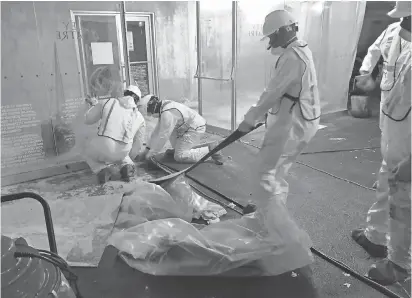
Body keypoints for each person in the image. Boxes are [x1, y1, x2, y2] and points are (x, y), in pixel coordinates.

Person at [352, 1, 411, 285]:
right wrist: (369, 75)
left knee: (405, 201)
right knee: (386, 180)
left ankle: (400, 265)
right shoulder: (394, 31)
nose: (405, 26)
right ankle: (375, 237)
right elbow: (378, 53)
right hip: (392, 130)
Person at [237, 9, 321, 206]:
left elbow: (272, 93)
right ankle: (268, 207)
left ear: (281, 32)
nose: (270, 43)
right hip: (299, 118)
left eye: (271, 37)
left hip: (292, 124)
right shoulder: (301, 50)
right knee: (276, 170)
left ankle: (268, 217)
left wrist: (250, 120)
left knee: (267, 170)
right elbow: (283, 91)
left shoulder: (292, 57)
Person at [83, 85, 146, 184]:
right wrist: (130, 158)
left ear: (124, 94)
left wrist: (94, 105)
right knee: (123, 150)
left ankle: (102, 170)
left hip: (102, 148)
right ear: (137, 101)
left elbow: (87, 120)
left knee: (86, 151)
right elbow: (138, 145)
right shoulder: (140, 117)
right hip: (122, 151)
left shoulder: (108, 102)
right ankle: (127, 166)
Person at [136, 95, 224, 164]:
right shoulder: (163, 106)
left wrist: (152, 154)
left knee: (180, 156)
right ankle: (179, 150)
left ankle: (211, 149)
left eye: (150, 113)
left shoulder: (167, 113)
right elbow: (157, 132)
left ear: (151, 106)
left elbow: (163, 136)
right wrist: (147, 150)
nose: (151, 115)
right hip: (187, 126)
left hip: (195, 128)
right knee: (170, 131)